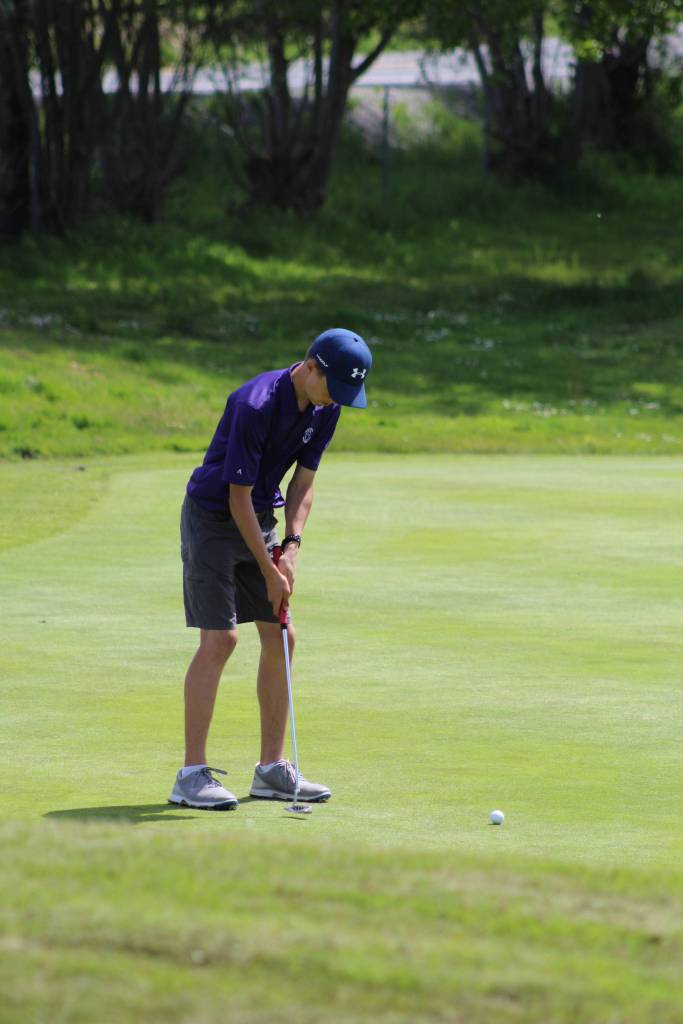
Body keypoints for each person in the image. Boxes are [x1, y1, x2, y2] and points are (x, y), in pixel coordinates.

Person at [169, 328, 372, 810]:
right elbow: (236, 497)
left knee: (282, 636)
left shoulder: (326, 407)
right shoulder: (255, 403)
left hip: (259, 517)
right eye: (334, 387)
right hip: (213, 519)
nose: (336, 400)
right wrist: (268, 568)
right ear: (311, 367)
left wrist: (291, 548)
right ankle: (190, 774)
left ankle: (271, 770)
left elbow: (303, 483)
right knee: (221, 639)